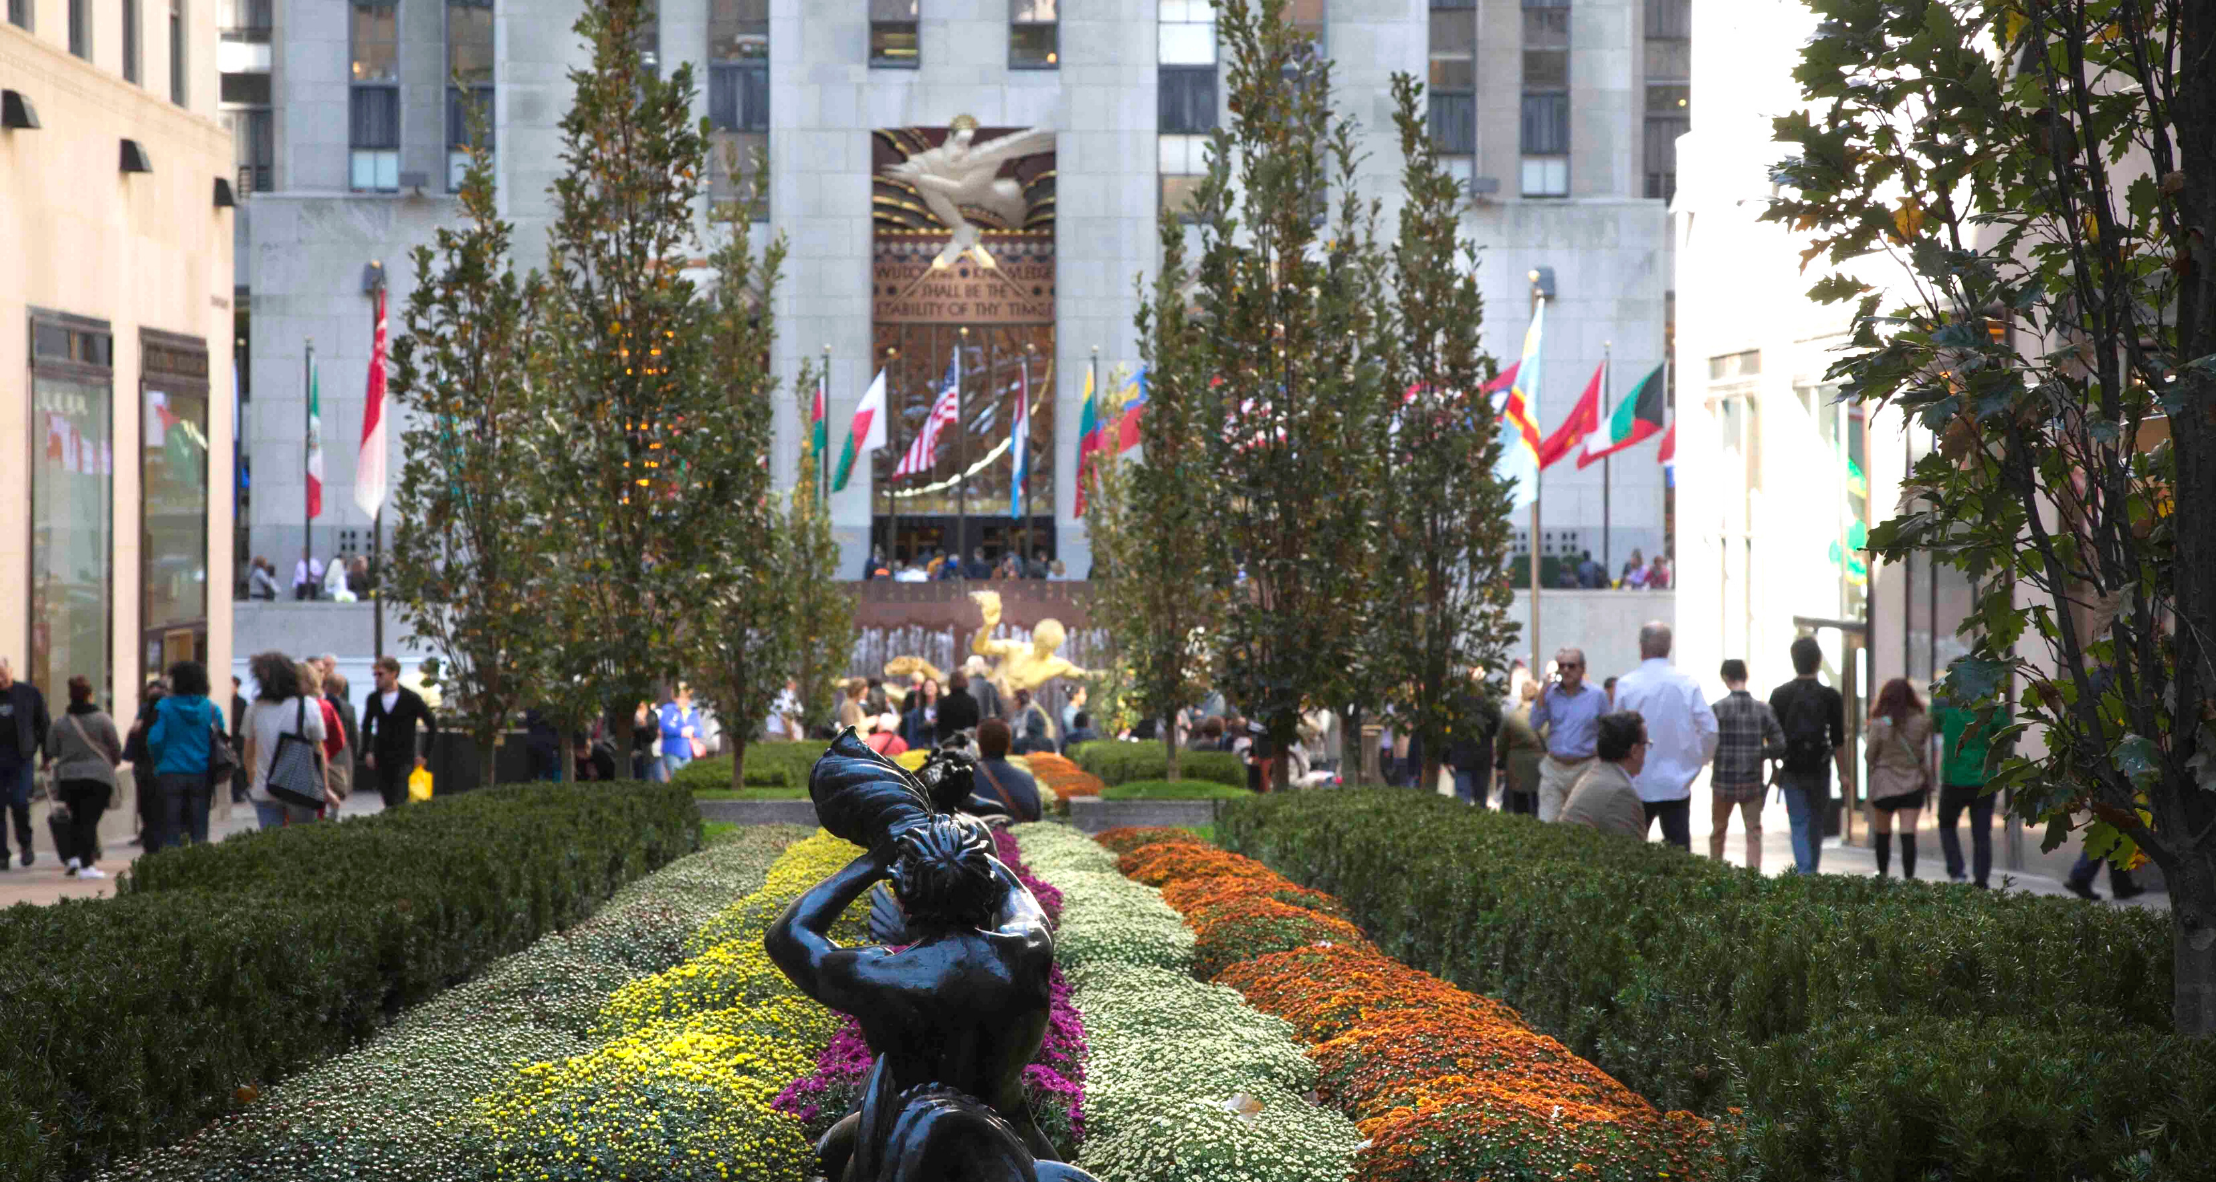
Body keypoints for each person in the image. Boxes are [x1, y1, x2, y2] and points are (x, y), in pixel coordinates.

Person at [1612, 623, 1718, 850]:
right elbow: (1710, 729)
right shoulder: (1686, 683)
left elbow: (1616, 734)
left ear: (1641, 648)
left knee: (1629, 854)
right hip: (1677, 783)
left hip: (1636, 782)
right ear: (1669, 647)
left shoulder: (1626, 685)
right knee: (1679, 856)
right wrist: (1697, 760)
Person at [1769, 637, 1849, 875]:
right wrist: (1843, 774)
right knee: (1816, 823)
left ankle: (1805, 874)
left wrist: (1774, 769)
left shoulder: (1779, 695)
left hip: (1791, 768)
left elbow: (1772, 737)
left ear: (1794, 661)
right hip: (1820, 768)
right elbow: (1838, 740)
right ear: (1818, 661)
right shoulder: (1831, 696)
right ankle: (1810, 872)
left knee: (1799, 823)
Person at [243, 651, 336, 828]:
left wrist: (253, 781)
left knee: (270, 843)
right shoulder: (308, 706)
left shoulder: (254, 709)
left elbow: (248, 754)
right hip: (300, 785)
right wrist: (325, 787)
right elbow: (319, 750)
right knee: (301, 842)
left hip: (265, 788)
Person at [1709, 659, 1784, 871]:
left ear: (1726, 678)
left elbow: (1705, 740)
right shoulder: (1763, 709)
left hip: (1723, 781)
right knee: (1753, 832)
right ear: (1745, 676)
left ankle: (1715, 874)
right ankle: (1752, 878)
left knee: (1718, 831)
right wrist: (1760, 753)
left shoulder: (1717, 709)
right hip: (1752, 782)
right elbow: (1780, 744)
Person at [47, 676, 122, 878]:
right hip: (98, 778)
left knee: (77, 818)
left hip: (69, 778)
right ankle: (87, 865)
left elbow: (51, 749)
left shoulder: (60, 723)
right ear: (90, 696)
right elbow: (116, 748)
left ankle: (73, 859)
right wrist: (111, 763)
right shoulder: (103, 719)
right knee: (88, 820)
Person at [145, 660, 222, 848]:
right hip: (202, 774)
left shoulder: (164, 707)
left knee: (171, 827)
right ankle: (198, 867)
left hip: (170, 772)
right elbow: (220, 739)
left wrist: (158, 761)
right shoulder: (211, 709)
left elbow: (154, 739)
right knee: (199, 827)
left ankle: (173, 866)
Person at [1932, 682, 2001, 888]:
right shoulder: (1991, 708)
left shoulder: (1945, 706)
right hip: (1984, 779)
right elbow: (2004, 734)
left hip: (1954, 778)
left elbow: (1934, 724)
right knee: (1981, 832)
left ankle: (1957, 872)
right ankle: (1981, 879)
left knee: (1946, 824)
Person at [1528, 647, 1608, 821]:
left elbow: (1607, 730)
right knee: (1547, 823)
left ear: (1582, 668)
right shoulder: (1549, 694)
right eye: (1561, 665)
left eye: (1571, 666)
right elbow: (1534, 724)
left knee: (1582, 824)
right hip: (1554, 769)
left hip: (1586, 768)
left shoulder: (1597, 695)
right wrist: (1542, 692)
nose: (1565, 670)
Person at [1864, 677, 1933, 879]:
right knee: (1908, 832)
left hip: (1884, 783)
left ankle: (1883, 874)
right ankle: (1909, 878)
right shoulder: (1922, 721)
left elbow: (1869, 757)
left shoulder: (1878, 724)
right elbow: (1922, 752)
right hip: (1912, 782)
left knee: (1882, 832)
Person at [1558, 711, 1650, 838]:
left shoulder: (1597, 773)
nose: (1646, 751)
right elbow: (1635, 854)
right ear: (1634, 751)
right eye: (1646, 744)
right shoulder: (1621, 793)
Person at [361, 655, 438, 808]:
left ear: (393, 673)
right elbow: (366, 725)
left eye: (380, 674)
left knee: (399, 798)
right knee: (388, 798)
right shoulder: (373, 698)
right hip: (382, 757)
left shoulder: (410, 698)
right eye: (375, 675)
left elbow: (432, 724)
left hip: (404, 757)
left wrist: (424, 754)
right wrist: (367, 751)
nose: (377, 678)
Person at [0, 657, 52, 868]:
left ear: (10, 671)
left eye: (3, 674)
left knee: (20, 803)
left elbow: (44, 724)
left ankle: (26, 845)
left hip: (22, 760)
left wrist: (47, 755)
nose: (0, 679)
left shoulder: (29, 694)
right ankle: (2, 854)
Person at [971, 718, 1042, 822]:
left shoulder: (966, 780)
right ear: (1009, 745)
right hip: (1019, 837)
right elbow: (1037, 820)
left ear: (979, 745)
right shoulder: (1027, 780)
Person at [299, 661, 348, 805]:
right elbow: (338, 740)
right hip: (317, 765)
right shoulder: (323, 706)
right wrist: (326, 754)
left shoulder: (280, 705)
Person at [1494, 681, 1545, 815]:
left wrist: (1503, 759)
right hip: (1540, 762)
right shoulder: (1544, 716)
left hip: (1516, 763)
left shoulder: (1512, 716)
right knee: (1538, 799)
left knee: (1519, 801)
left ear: (1522, 694)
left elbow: (1501, 743)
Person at [319, 657, 361, 802]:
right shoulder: (348, 708)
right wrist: (355, 751)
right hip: (341, 749)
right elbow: (354, 734)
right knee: (339, 781)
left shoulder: (321, 704)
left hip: (325, 746)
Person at [656, 685, 703, 782]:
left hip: (687, 752)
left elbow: (699, 731)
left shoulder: (691, 711)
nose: (685, 700)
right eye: (682, 697)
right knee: (676, 779)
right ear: (675, 698)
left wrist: (692, 729)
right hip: (671, 751)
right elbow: (665, 726)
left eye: (687, 697)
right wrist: (680, 732)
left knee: (686, 780)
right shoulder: (668, 709)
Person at [938, 671, 982, 743]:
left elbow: (940, 723)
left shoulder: (943, 701)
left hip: (949, 740)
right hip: (968, 739)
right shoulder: (972, 701)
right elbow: (976, 721)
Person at [1009, 687, 1055, 755]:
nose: (1013, 702)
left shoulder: (1031, 713)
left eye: (1015, 699)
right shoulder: (1017, 714)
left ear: (1021, 700)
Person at [961, 655, 1006, 722]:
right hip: (984, 727)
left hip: (966, 726)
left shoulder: (963, 688)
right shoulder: (990, 686)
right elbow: (998, 709)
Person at [902, 678, 941, 750]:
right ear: (923, 689)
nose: (929, 688)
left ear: (937, 689)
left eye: (932, 686)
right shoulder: (915, 713)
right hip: (921, 749)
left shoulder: (942, 709)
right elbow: (911, 735)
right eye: (927, 686)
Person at [767, 678, 804, 743]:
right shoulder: (785, 695)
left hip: (776, 731)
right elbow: (785, 717)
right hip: (777, 733)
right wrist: (792, 738)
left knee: (799, 729)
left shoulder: (789, 694)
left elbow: (800, 712)